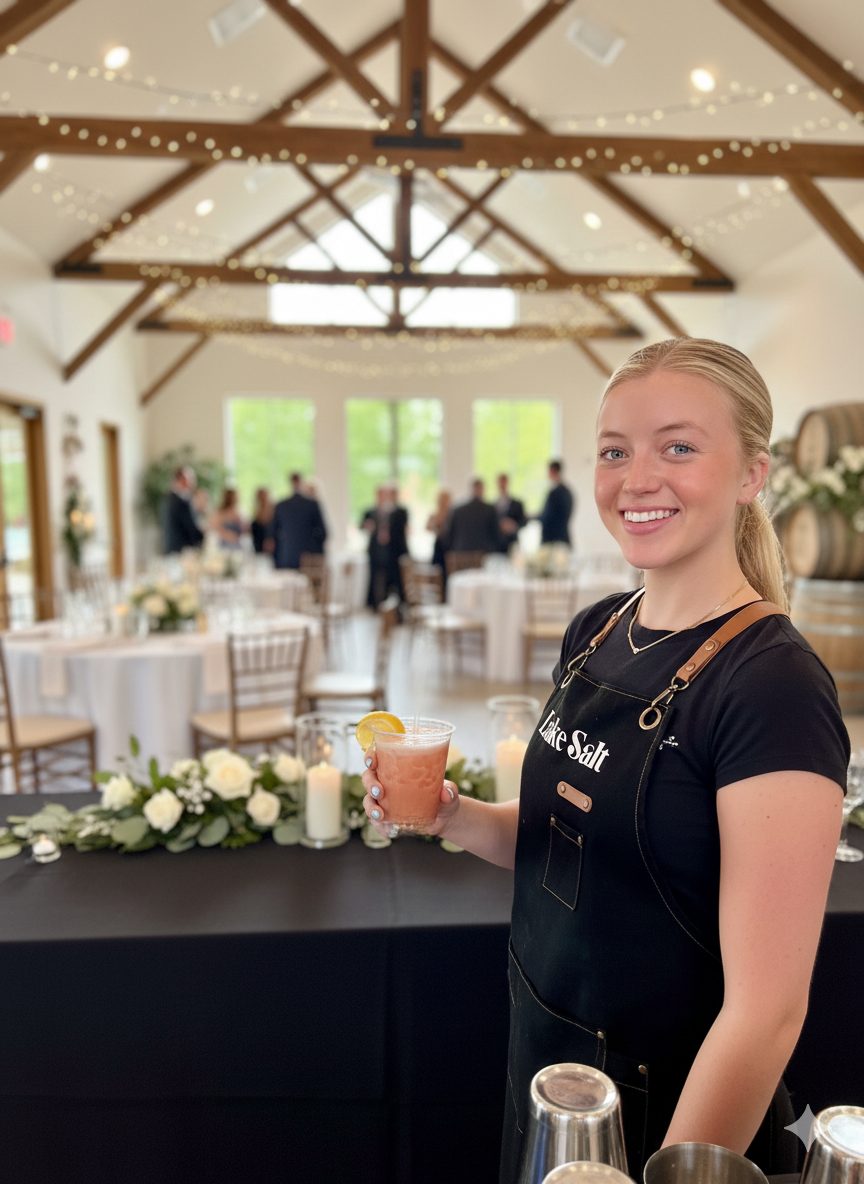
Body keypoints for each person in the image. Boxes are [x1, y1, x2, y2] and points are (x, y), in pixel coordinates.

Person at [362, 338, 848, 1181]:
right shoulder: (598, 629)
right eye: (615, 451)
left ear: (752, 475)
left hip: (669, 1117)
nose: (637, 479)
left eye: (678, 447)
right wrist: (451, 815)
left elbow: (766, 1014)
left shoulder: (772, 684)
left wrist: (671, 1172)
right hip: (550, 1068)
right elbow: (563, 836)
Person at [361, 483, 409, 608]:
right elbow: (361, 526)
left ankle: (398, 605)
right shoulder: (371, 511)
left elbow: (403, 530)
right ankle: (373, 604)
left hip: (394, 551)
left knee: (395, 578)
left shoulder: (399, 512)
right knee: (374, 578)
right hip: (376, 550)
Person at [272, 472, 328, 570]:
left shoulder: (281, 506)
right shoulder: (312, 505)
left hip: (286, 557)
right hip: (309, 558)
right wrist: (314, 548)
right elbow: (323, 533)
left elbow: (273, 534)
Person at [444, 477, 501, 556]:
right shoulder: (490, 510)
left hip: (461, 552)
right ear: (483, 490)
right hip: (483, 553)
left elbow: (449, 535)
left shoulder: (458, 510)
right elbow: (496, 534)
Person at [162, 466, 204, 554]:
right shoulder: (182, 502)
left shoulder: (167, 498)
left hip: (171, 548)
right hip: (182, 550)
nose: (193, 482)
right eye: (191, 479)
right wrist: (206, 535)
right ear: (182, 479)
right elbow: (191, 529)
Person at [538, 458, 575, 546]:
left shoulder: (555, 493)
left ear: (552, 471)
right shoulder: (567, 491)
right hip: (563, 538)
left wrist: (529, 518)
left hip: (553, 540)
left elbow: (547, 516)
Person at [494, 473, 527, 553]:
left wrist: (514, 526)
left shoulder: (517, 504)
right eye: (500, 483)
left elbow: (524, 521)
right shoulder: (492, 506)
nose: (502, 485)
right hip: (497, 544)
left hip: (513, 542)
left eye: (504, 482)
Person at [426, 489, 452, 577]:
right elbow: (427, 527)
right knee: (437, 570)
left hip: (449, 545)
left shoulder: (451, 514)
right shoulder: (435, 514)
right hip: (439, 545)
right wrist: (435, 528)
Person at [250, 487, 274, 555]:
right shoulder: (257, 510)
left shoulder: (271, 510)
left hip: (266, 542)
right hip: (257, 542)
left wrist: (269, 538)